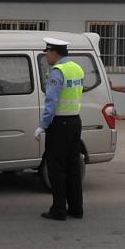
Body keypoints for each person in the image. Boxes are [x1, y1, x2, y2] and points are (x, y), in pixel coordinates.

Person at [35, 38, 85, 221]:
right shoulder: (77, 68)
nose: (46, 56)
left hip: (59, 124)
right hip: (75, 121)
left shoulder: (57, 71)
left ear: (54, 52)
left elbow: (51, 102)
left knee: (56, 168)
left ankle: (58, 210)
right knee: (73, 167)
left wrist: (42, 125)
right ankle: (76, 209)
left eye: (47, 53)